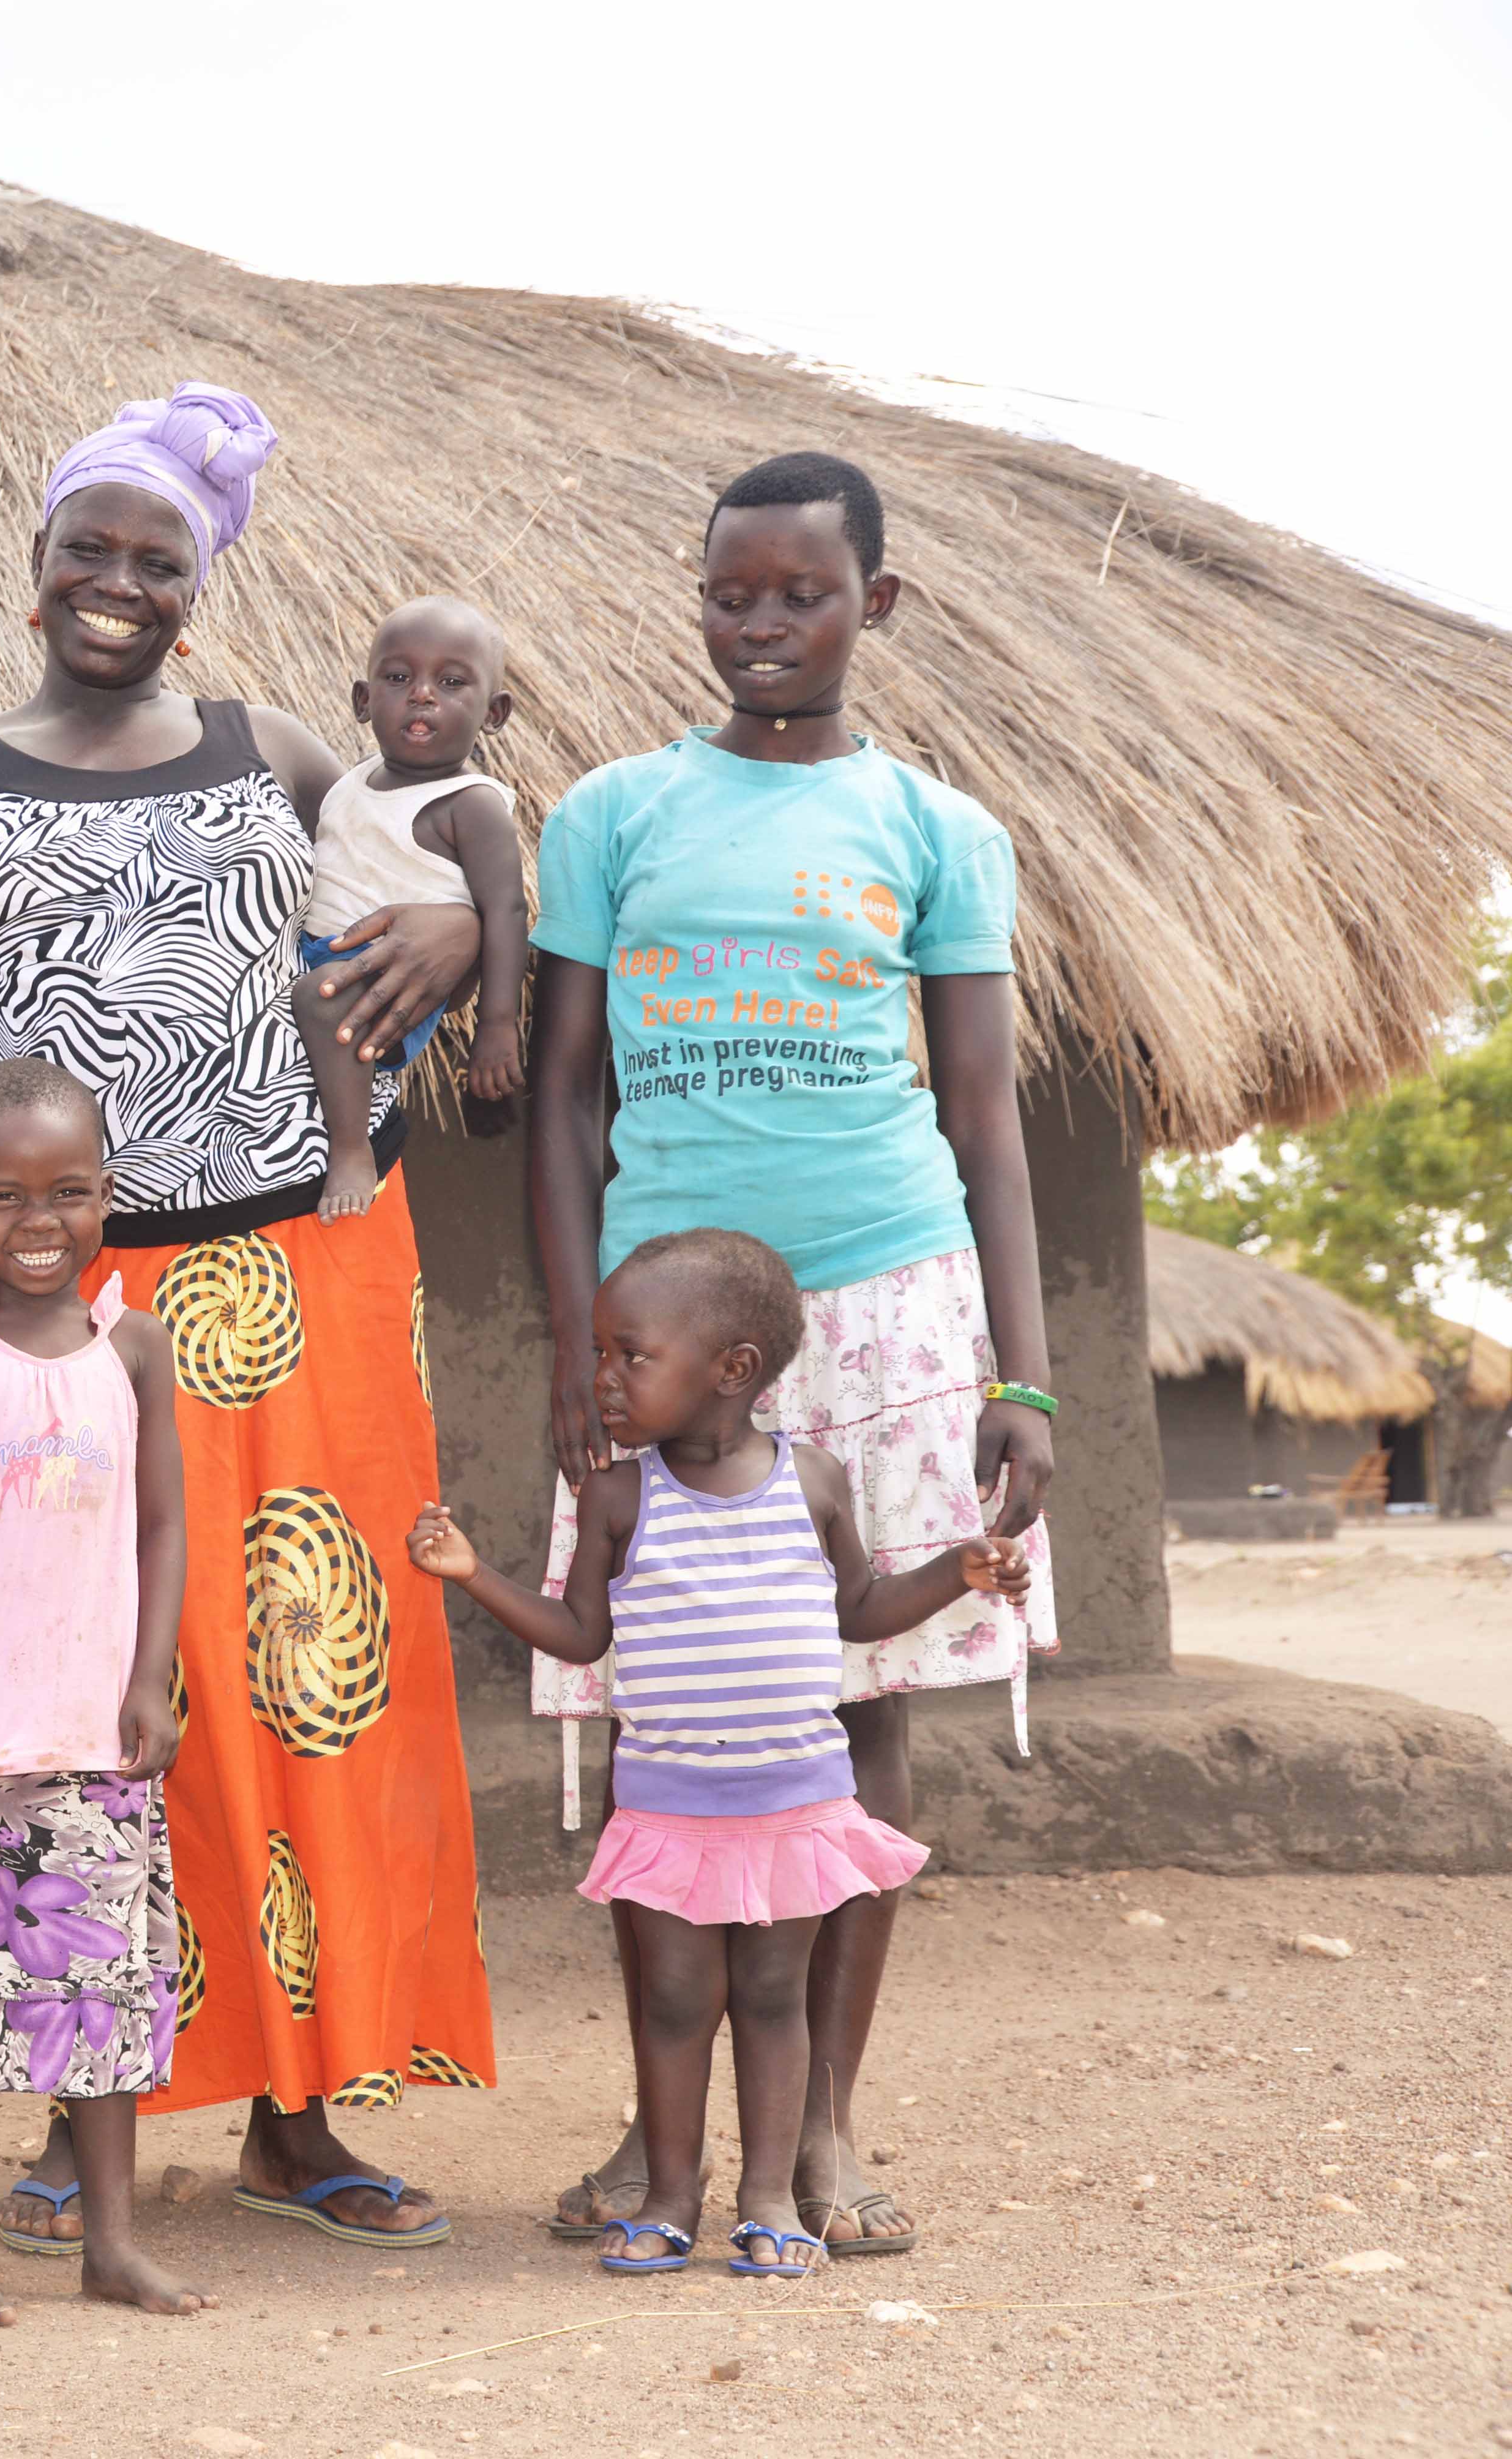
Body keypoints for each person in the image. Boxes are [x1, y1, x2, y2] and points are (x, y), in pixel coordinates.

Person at [0, 386, 493, 2260]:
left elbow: (429, 879)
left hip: (291, 1269)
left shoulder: (274, 746)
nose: (116, 583)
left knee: (297, 1684)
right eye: (89, 549)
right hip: (71, 1301)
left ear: (197, 586)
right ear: (35, 567)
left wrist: (451, 926)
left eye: (157, 557)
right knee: (79, 1692)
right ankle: (84, 2103)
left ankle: (297, 2111)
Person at [526, 451, 1057, 2259]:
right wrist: (563, 1341)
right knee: (648, 1699)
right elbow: (559, 1101)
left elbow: (985, 1121)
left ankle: (817, 2123)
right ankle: (661, 2131)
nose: (762, 625)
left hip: (893, 1299)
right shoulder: (609, 815)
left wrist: (1028, 1380)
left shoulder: (936, 829)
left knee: (860, 1696)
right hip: (657, 1329)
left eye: (801, 595)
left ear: (873, 608)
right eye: (731, 594)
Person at [408, 1228, 1017, 2277]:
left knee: (778, 1998)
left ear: (732, 1370)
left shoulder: (813, 1482)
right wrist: (474, 1576)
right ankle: (671, 2195)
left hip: (793, 1808)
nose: (602, 1377)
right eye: (600, 1352)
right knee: (675, 2001)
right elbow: (581, 1636)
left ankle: (771, 2196)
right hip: (668, 1812)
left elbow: (863, 1612)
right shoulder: (618, 1495)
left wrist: (956, 1570)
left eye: (628, 1355)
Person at [0, 1056, 205, 2329]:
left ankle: (109, 2243)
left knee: (104, 1991)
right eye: (5, 1196)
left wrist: (148, 1678)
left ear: (105, 1195)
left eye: (67, 1192)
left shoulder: (134, 1344)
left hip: (92, 1726)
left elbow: (163, 1526)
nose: (37, 1223)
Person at [288, 596, 530, 1219]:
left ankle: (351, 1150)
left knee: (322, 998)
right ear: (363, 700)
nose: (422, 695)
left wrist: (496, 1025)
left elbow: (504, 912)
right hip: (322, 955)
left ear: (494, 712)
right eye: (399, 679)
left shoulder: (470, 805)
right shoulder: (353, 779)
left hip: (392, 984)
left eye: (451, 683)